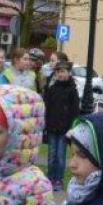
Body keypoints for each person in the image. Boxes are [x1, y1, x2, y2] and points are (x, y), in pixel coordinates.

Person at [43, 60, 78, 190]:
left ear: (69, 73)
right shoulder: (52, 89)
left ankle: (58, 179)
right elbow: (47, 107)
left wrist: (72, 127)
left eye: (63, 71)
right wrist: (46, 125)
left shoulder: (72, 90)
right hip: (52, 128)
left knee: (60, 156)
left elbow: (74, 111)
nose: (60, 74)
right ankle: (50, 178)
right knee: (51, 155)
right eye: (58, 72)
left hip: (64, 129)